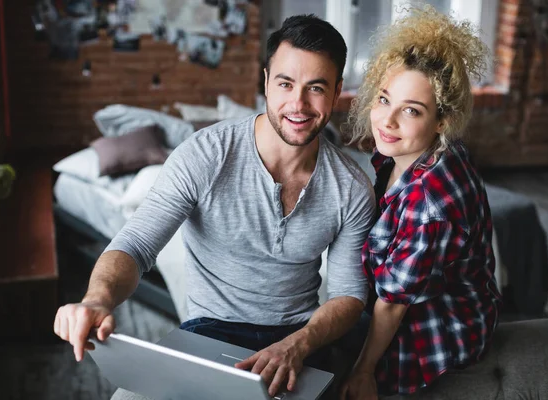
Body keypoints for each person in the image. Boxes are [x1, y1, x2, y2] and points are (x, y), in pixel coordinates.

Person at [53, 14, 376, 399]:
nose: (299, 103)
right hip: (210, 331)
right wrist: (97, 299)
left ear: (338, 90)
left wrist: (301, 343)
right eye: (285, 84)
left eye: (316, 88)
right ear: (266, 81)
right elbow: (136, 244)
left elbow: (348, 295)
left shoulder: (353, 188)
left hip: (299, 340)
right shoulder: (206, 154)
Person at [340, 5, 502, 399]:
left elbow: (394, 303)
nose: (387, 120)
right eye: (383, 99)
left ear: (442, 120)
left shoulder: (430, 206)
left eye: (411, 110)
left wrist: (364, 371)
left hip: (435, 332)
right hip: (414, 301)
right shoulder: (417, 152)